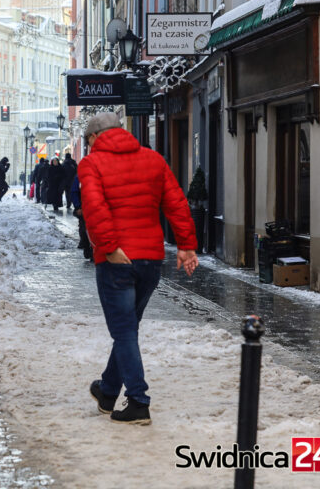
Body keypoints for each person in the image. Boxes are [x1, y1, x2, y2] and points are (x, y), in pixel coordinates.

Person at [79, 112, 198, 425]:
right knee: (127, 329)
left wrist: (109, 246)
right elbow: (176, 203)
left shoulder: (92, 164)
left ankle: (138, 401)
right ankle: (106, 391)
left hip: (116, 259)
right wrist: (186, 245)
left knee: (124, 331)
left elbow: (94, 208)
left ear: (93, 138)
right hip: (150, 259)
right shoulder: (153, 159)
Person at [70, 176, 92, 260]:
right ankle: (86, 246)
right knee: (84, 229)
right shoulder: (80, 177)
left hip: (96, 208)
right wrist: (78, 206)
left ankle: (94, 251)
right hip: (83, 208)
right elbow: (74, 192)